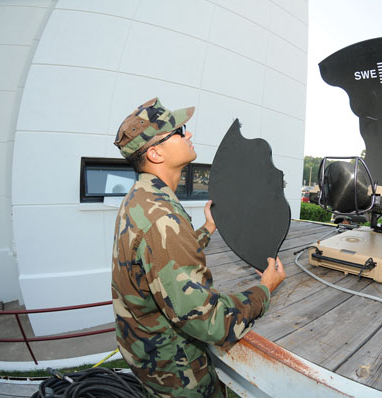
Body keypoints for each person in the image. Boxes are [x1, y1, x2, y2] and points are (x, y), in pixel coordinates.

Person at [111, 97, 286, 397]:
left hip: (149, 356)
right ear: (154, 153)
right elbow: (208, 321)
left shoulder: (141, 198)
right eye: (178, 132)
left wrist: (207, 229)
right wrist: (265, 290)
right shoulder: (161, 217)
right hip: (176, 373)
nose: (188, 134)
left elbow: (160, 261)